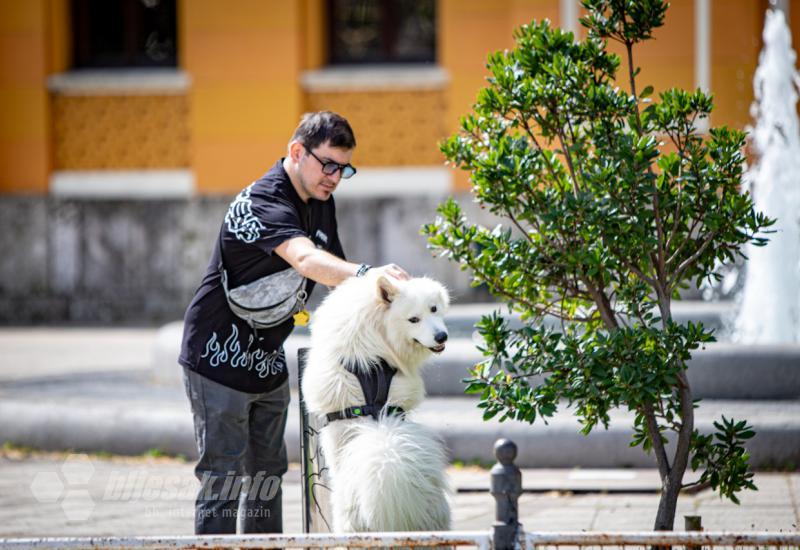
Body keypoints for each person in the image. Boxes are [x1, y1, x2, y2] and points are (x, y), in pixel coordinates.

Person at [179, 111, 409, 534]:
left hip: (266, 365)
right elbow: (305, 259)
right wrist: (368, 273)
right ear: (297, 152)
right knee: (223, 479)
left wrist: (390, 322)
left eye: (344, 168)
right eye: (328, 164)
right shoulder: (262, 200)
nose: (335, 177)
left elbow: (335, 277)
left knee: (268, 477)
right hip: (215, 360)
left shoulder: (322, 203)